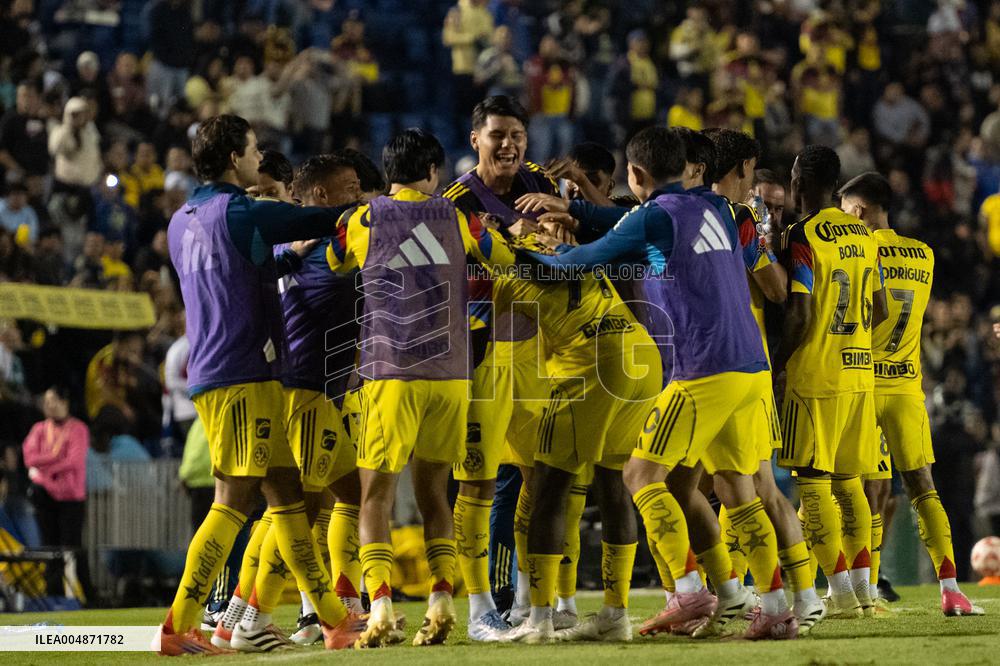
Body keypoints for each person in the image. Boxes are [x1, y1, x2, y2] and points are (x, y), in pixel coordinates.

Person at [520, 126, 796, 641]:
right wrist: (578, 212)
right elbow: (623, 223)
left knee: (641, 476)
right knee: (740, 490)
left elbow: (581, 261)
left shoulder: (656, 217)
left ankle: (689, 590)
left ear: (636, 174)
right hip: (750, 369)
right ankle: (777, 607)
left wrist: (511, 253)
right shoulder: (718, 208)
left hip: (703, 368)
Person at [156, 114, 364, 655]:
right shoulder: (239, 210)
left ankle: (337, 621)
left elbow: (234, 273)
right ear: (233, 158)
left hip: (218, 369)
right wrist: (379, 208)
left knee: (287, 495)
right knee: (231, 500)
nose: (257, 157)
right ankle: (180, 626)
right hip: (243, 370)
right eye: (251, 149)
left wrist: (282, 258)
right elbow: (322, 219)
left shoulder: (181, 221)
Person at [324, 128, 511, 648]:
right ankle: (442, 597)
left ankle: (380, 604)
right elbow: (504, 260)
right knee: (435, 495)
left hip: (389, 370)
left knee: (375, 496)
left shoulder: (365, 217)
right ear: (433, 173)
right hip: (451, 374)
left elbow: (335, 261)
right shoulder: (458, 216)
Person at [214, 152, 369, 651]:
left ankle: (240, 613)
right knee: (297, 508)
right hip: (304, 390)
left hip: (304, 388)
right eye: (350, 187)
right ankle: (255, 618)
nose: (359, 195)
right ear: (321, 195)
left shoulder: (290, 249)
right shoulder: (326, 248)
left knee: (345, 493)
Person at [839, 172, 984, 617]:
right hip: (906, 386)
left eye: (846, 212)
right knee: (923, 487)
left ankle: (864, 588)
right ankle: (951, 589)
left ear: (859, 210)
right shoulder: (923, 254)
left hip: (863, 383)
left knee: (856, 490)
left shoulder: (858, 249)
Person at [441, 95, 558, 629]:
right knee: (478, 481)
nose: (507, 145)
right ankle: (479, 609)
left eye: (516, 135)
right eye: (497, 136)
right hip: (482, 350)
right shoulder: (457, 200)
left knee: (540, 476)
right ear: (475, 140)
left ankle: (535, 602)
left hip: (536, 347)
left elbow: (561, 243)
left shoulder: (540, 184)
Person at [774, 145, 888, 618]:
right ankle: (863, 591)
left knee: (812, 481)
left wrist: (780, 363)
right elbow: (880, 309)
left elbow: (798, 313)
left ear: (800, 182)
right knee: (850, 484)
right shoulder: (864, 236)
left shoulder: (803, 234)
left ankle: (839, 593)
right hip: (860, 373)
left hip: (815, 374)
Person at [22, 386, 88, 550]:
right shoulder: (39, 429)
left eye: (52, 400)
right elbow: (29, 458)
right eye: (46, 402)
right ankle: (53, 576)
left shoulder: (78, 429)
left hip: (70, 497)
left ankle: (77, 577)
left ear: (64, 402)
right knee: (48, 546)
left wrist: (45, 468)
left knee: (71, 547)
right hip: (45, 495)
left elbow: (74, 461)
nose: (48, 405)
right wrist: (54, 457)